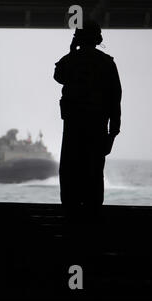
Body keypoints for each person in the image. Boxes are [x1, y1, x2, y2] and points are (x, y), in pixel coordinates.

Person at [54, 20, 122, 221]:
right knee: (93, 170)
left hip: (73, 127)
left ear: (78, 38)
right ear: (98, 38)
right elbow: (115, 98)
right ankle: (92, 215)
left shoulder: (71, 60)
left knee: (69, 170)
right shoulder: (107, 63)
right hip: (98, 126)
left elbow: (58, 76)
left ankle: (70, 213)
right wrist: (113, 131)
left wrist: (71, 50)